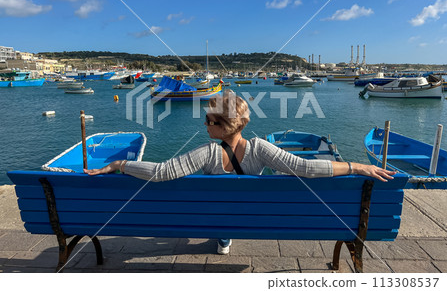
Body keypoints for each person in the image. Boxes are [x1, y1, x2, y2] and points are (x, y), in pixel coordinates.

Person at [85, 90, 395, 255]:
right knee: (242, 201)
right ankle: (229, 228)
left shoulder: (206, 153)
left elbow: (162, 172)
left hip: (210, 216)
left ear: (222, 126)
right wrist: (357, 166)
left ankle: (223, 232)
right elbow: (306, 168)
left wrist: (119, 165)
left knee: (218, 205)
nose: (205, 124)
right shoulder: (260, 149)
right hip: (256, 219)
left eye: (209, 120)